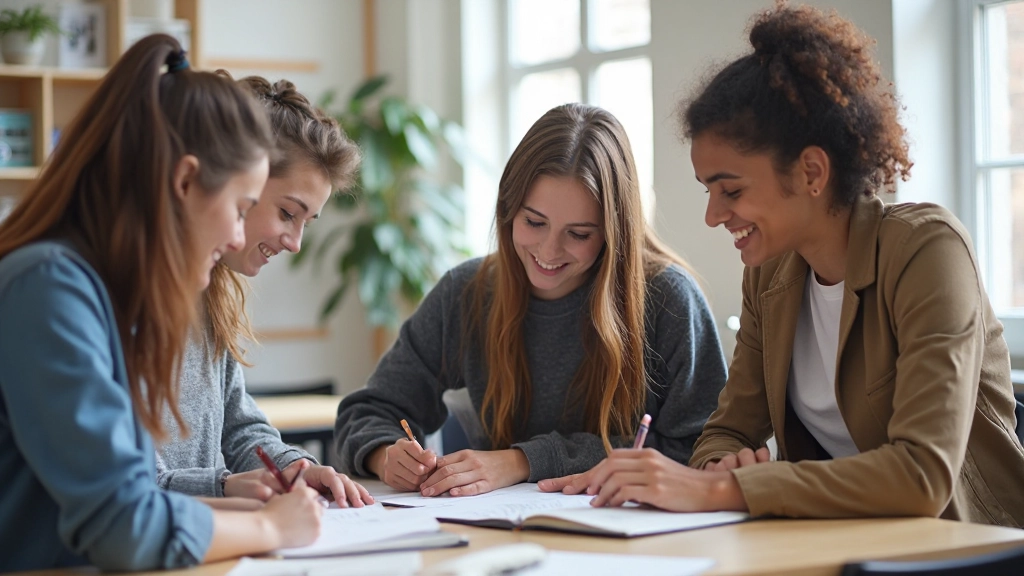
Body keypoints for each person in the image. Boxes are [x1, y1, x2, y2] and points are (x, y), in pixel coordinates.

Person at [541, 2, 1024, 527]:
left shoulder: (928, 251)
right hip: (842, 542)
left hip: (966, 546)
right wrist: (720, 465)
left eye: (731, 189)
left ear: (811, 171)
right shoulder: (769, 276)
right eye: (709, 190)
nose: (713, 215)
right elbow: (727, 431)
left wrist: (731, 486)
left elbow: (922, 476)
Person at [0, 35, 324, 572]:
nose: (239, 238)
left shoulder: (97, 291)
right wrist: (270, 525)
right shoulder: (50, 290)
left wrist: (246, 501)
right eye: (241, 208)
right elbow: (124, 523)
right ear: (185, 181)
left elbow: (135, 498)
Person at [334, 103, 728, 497]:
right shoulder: (467, 291)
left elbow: (699, 450)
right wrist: (386, 455)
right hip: (500, 539)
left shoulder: (668, 299)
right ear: (507, 209)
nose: (549, 251)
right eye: (534, 222)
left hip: (635, 538)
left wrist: (522, 460)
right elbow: (368, 413)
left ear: (614, 232)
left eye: (579, 234)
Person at [155, 74, 372, 508]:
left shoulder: (210, 291)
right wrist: (223, 485)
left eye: (306, 223)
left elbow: (239, 426)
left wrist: (295, 467)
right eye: (287, 213)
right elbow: (120, 480)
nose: (294, 242)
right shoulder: (112, 295)